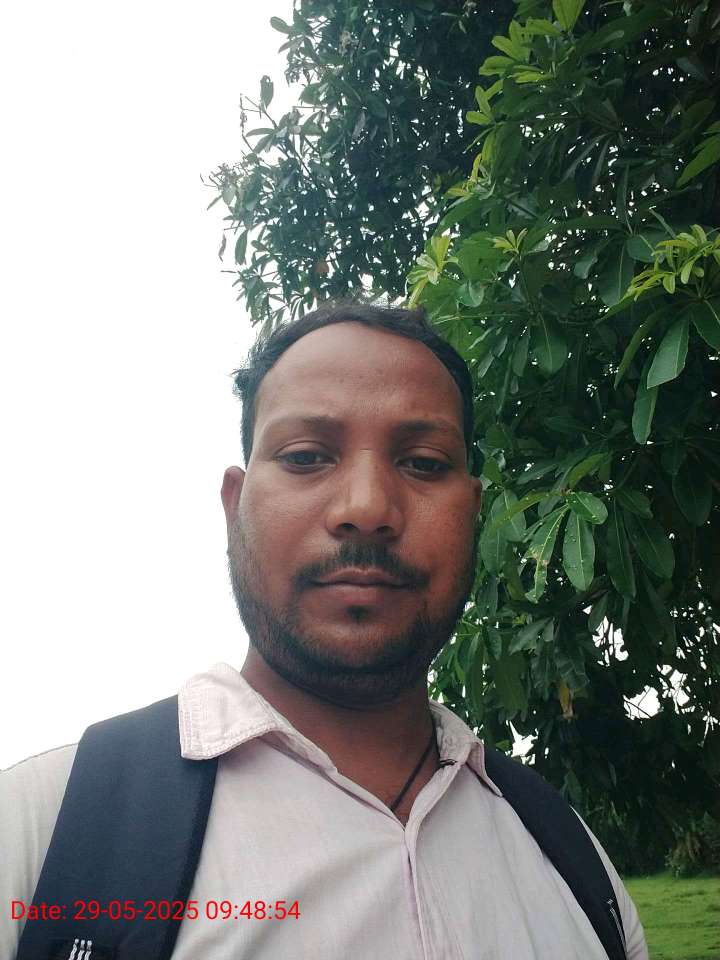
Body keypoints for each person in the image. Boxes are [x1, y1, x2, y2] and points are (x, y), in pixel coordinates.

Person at [0, 302, 648, 959]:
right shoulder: (43, 829)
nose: (366, 507)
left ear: (472, 513)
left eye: (424, 463)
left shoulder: (570, 858)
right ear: (234, 506)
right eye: (307, 456)